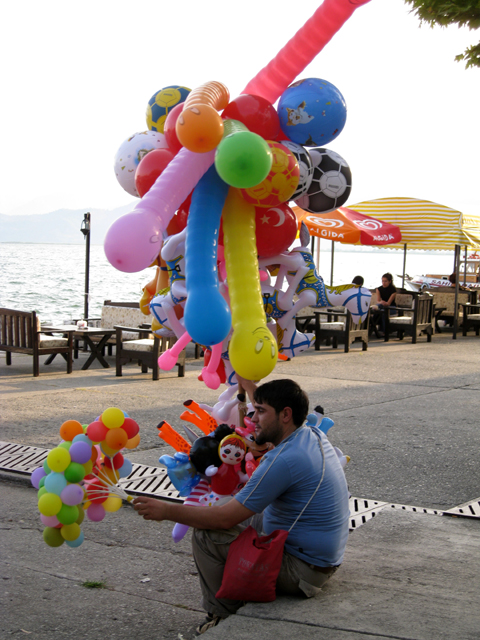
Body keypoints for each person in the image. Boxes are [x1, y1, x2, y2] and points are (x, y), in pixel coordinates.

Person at [133, 378, 350, 635]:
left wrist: (167, 511)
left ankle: (222, 616)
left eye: (260, 411)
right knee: (227, 505)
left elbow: (224, 520)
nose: (252, 418)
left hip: (304, 571)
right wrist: (247, 384)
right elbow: (271, 405)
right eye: (253, 409)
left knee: (207, 533)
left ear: (286, 415)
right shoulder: (310, 435)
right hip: (321, 557)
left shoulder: (284, 460)